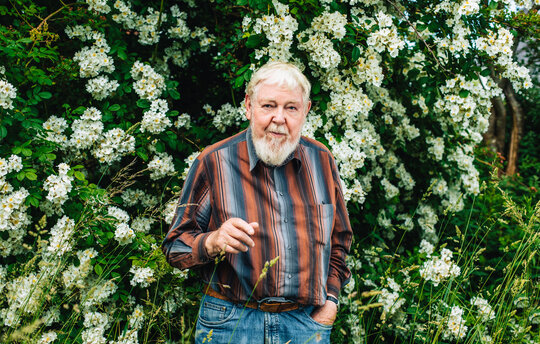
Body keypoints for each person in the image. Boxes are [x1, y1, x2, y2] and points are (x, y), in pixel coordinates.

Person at [162, 61, 352, 344]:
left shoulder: (321, 160)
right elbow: (175, 247)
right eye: (268, 106)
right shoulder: (214, 161)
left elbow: (340, 240)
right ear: (249, 106)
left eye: (291, 108)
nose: (279, 118)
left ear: (306, 111)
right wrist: (213, 242)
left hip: (304, 324)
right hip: (230, 323)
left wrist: (331, 302)